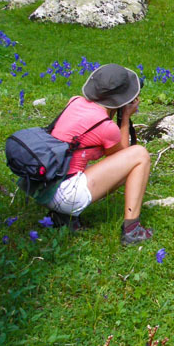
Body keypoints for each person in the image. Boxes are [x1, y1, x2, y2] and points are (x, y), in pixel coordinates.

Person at [37, 63, 154, 245]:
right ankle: (132, 230)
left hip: (45, 186)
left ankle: (62, 218)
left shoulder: (74, 101)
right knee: (140, 155)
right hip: (65, 194)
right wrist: (125, 119)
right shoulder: (105, 127)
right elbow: (122, 155)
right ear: (121, 100)